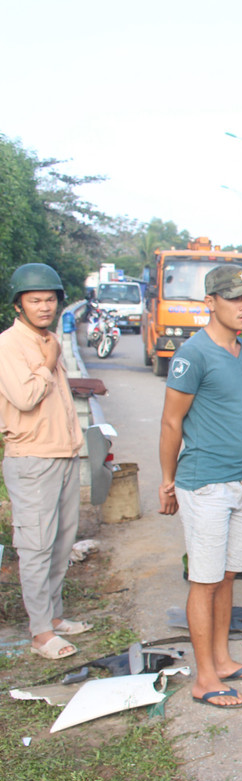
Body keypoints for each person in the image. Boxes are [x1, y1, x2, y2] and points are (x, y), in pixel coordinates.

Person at [159, 264, 242, 708]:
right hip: (203, 483)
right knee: (204, 582)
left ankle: (222, 660)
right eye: (235, 299)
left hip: (238, 481)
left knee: (227, 577)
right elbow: (171, 422)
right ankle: (205, 678)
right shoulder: (194, 353)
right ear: (211, 302)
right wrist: (167, 482)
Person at [0, 264, 90, 660]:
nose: (43, 307)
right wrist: (47, 360)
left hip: (65, 454)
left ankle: (53, 617)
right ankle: (39, 633)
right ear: (19, 304)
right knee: (35, 546)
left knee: (61, 541)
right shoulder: (9, 345)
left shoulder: (49, 339)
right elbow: (24, 398)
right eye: (34, 300)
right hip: (32, 458)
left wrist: (51, 352)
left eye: (50, 299)